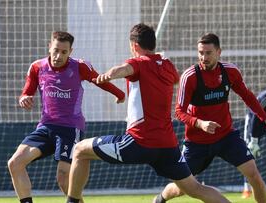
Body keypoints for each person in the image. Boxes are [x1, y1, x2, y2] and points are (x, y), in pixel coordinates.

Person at [65, 23, 231, 203]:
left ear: (134, 46)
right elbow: (175, 80)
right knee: (195, 188)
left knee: (80, 149)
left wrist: (109, 75)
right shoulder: (167, 65)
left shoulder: (138, 62)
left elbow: (124, 69)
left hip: (138, 143)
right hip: (168, 146)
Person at [153, 33, 266, 203]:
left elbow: (248, 96)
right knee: (181, 187)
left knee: (254, 175)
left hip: (226, 137)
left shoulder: (230, 72)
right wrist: (200, 123)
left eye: (208, 53)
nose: (203, 57)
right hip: (197, 143)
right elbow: (179, 112)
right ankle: (160, 199)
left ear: (219, 52)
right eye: (200, 52)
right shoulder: (189, 77)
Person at [7, 31, 125, 203]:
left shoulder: (80, 66)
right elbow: (27, 91)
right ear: (49, 47)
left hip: (70, 128)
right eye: (55, 50)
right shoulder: (37, 67)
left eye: (64, 52)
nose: (58, 56)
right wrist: (23, 98)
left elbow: (99, 80)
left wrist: (120, 94)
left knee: (63, 179)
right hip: (45, 127)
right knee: (15, 164)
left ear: (70, 51)